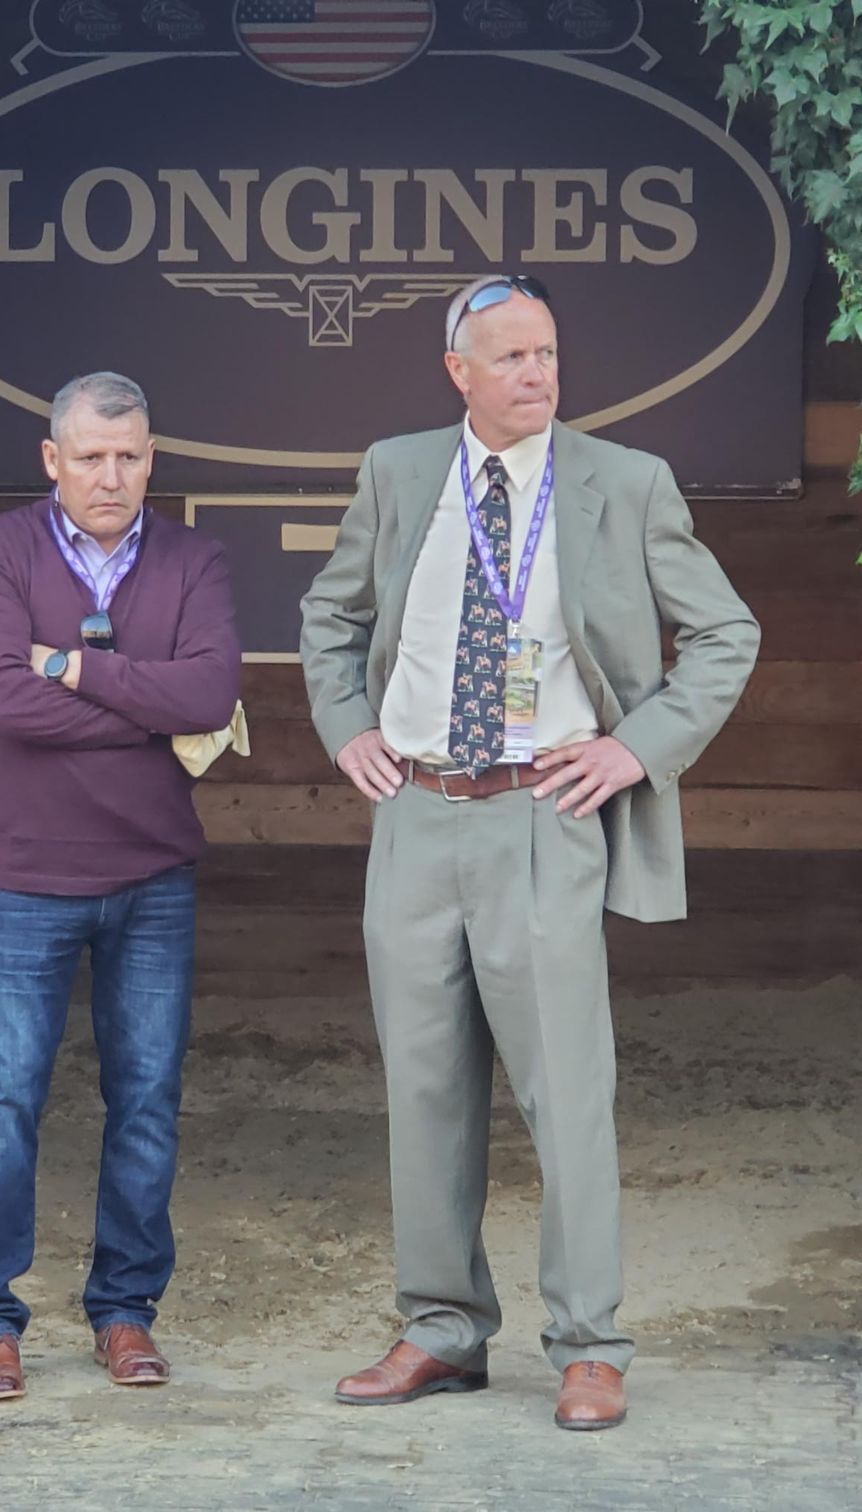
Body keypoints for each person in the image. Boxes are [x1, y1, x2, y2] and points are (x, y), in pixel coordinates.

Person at [300, 274, 760, 1430]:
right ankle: (443, 1330)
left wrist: (634, 750)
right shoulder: (399, 471)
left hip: (543, 816)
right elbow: (332, 614)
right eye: (509, 357)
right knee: (423, 1090)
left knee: (569, 1093)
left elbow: (724, 632)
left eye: (547, 353)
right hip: (415, 812)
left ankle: (590, 1343)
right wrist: (347, 724)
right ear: (459, 372)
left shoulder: (624, 481)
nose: (537, 374)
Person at [0, 371, 240, 1401]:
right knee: (1, 1105)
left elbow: (211, 692)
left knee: (148, 1103)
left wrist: (70, 669)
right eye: (90, 458)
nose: (110, 477)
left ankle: (126, 1313)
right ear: (52, 461)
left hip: (154, 873)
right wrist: (144, 708)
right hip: (27, 874)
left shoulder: (194, 557)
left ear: (150, 458)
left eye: (128, 457)